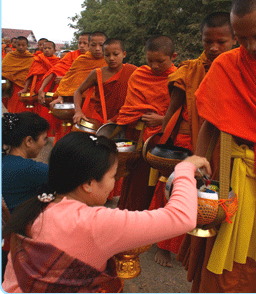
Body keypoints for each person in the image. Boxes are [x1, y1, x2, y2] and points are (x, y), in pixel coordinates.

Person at [178, 0, 256, 292]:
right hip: (228, 178)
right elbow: (210, 123)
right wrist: (196, 174)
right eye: (241, 39)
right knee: (218, 259)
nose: (251, 47)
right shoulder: (228, 65)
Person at [2, 131, 211, 292]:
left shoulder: (34, 206)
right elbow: (182, 217)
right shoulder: (95, 223)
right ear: (89, 183)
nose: (115, 183)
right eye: (112, 176)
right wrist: (184, 169)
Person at [151, 12, 237, 268]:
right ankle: (164, 245)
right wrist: (164, 142)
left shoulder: (240, 69)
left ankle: (200, 252)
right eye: (207, 41)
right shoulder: (189, 71)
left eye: (221, 42)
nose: (213, 48)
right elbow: (173, 111)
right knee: (177, 191)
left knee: (212, 198)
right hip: (187, 141)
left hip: (225, 144)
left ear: (235, 39)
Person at [116, 35, 177, 212]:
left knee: (155, 181)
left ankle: (151, 220)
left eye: (160, 61)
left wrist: (162, 119)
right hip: (138, 134)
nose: (155, 66)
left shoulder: (178, 78)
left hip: (162, 138)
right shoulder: (140, 74)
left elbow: (183, 111)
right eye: (150, 60)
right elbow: (130, 107)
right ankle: (129, 211)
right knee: (135, 179)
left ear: (173, 57)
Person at [48, 31, 108, 144]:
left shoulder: (110, 61)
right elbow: (68, 81)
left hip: (101, 106)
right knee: (74, 137)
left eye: (101, 45)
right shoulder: (81, 61)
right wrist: (60, 96)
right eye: (93, 45)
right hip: (79, 104)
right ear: (89, 46)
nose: (97, 49)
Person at [73, 38, 137, 125]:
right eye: (107, 55)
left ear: (124, 54)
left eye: (115, 54)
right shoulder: (98, 73)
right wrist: (78, 111)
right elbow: (78, 91)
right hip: (100, 120)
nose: (111, 58)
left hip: (125, 119)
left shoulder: (133, 71)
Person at [2, 112, 49, 214]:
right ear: (29, 141)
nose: (45, 143)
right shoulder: (28, 169)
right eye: (44, 138)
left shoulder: (5, 161)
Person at [37, 33, 89, 104]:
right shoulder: (71, 56)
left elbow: (89, 78)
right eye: (79, 43)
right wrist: (41, 88)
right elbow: (55, 70)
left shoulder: (95, 59)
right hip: (66, 95)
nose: (81, 46)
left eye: (85, 43)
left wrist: (66, 79)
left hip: (87, 94)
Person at [19, 41, 59, 118]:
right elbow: (30, 75)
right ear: (42, 49)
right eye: (45, 48)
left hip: (51, 88)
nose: (47, 50)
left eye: (49, 48)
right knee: (37, 109)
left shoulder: (58, 61)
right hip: (37, 87)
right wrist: (25, 88)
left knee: (48, 110)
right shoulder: (37, 60)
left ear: (54, 50)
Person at [2, 36, 34, 113]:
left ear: (27, 46)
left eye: (23, 45)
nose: (21, 47)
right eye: (18, 45)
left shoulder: (31, 58)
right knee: (13, 108)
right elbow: (4, 70)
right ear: (15, 45)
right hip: (13, 87)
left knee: (26, 110)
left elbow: (33, 72)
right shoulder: (10, 56)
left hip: (28, 86)